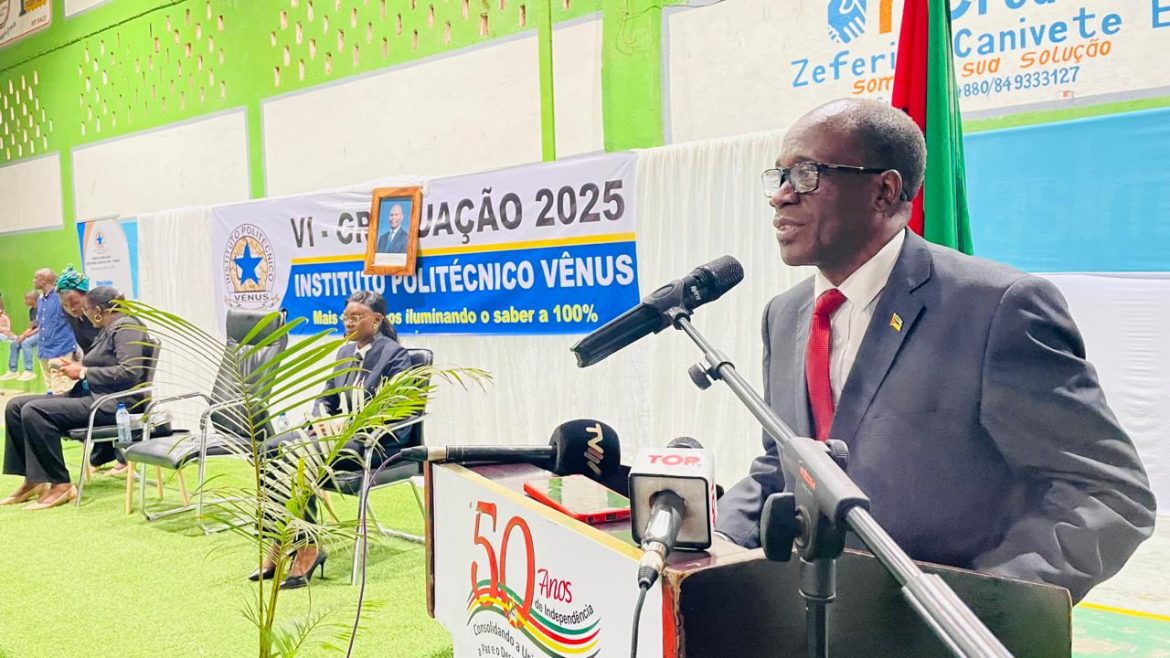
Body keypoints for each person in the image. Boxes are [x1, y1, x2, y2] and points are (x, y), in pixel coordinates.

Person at [715, 98, 1155, 603]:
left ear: (884, 190)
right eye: (780, 176)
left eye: (807, 174)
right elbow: (783, 465)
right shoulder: (785, 315)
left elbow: (1108, 494)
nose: (781, 197)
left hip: (942, 626)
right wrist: (714, 540)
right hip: (815, 616)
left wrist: (986, 602)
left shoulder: (997, 308)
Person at [253, 290, 413, 589]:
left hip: (372, 442)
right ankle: (280, 538)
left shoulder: (395, 355)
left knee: (298, 453)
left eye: (356, 317)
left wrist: (347, 424)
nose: (348, 323)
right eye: (346, 317)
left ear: (376, 320)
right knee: (268, 449)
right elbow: (325, 398)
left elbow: (397, 411)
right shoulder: (344, 352)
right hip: (332, 437)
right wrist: (322, 419)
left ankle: (308, 547)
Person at [1, 287, 151, 509]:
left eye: (87, 309)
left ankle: (61, 484)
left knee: (34, 411)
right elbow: (104, 365)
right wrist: (74, 367)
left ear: (98, 311)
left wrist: (83, 372)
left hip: (114, 405)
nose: (84, 313)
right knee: (15, 406)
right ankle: (35, 479)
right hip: (93, 395)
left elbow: (130, 372)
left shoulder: (127, 328)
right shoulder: (109, 329)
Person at [30, 268, 79, 394]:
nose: (33, 281)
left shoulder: (61, 297)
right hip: (44, 349)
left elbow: (74, 319)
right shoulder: (40, 300)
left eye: (36, 278)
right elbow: (42, 324)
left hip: (61, 348)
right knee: (50, 388)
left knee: (60, 388)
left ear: (45, 280)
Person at [56, 266, 101, 355]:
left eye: (75, 303)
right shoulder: (69, 314)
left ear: (86, 295)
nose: (71, 309)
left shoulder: (101, 312)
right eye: (65, 305)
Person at [0, 292, 41, 382]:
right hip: (33, 333)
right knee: (15, 343)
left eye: (26, 299)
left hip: (42, 333)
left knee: (26, 343)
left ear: (33, 299)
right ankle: (13, 371)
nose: (24, 301)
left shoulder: (42, 309)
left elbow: (41, 327)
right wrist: (22, 335)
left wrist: (26, 336)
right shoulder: (31, 310)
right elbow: (31, 327)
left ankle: (29, 370)